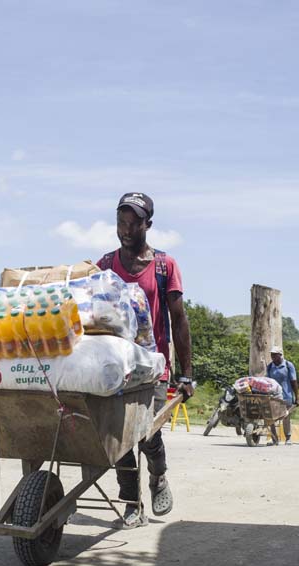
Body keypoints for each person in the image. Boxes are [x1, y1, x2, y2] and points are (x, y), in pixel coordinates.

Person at [98, 192, 194, 528]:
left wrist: (186, 373)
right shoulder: (106, 266)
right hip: (114, 368)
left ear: (147, 224)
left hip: (153, 367)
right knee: (121, 438)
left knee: (148, 434)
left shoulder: (165, 266)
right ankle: (130, 502)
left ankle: (158, 476)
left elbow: (179, 320)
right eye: (120, 222)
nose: (125, 229)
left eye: (133, 223)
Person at [266, 346, 299, 444]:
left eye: (275, 354)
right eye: (272, 354)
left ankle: (288, 437)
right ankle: (274, 438)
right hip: (273, 396)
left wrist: (297, 396)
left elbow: (294, 381)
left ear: (280, 355)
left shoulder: (288, 365)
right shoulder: (270, 366)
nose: (272, 356)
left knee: (285, 416)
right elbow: (268, 381)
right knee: (271, 417)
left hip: (286, 395)